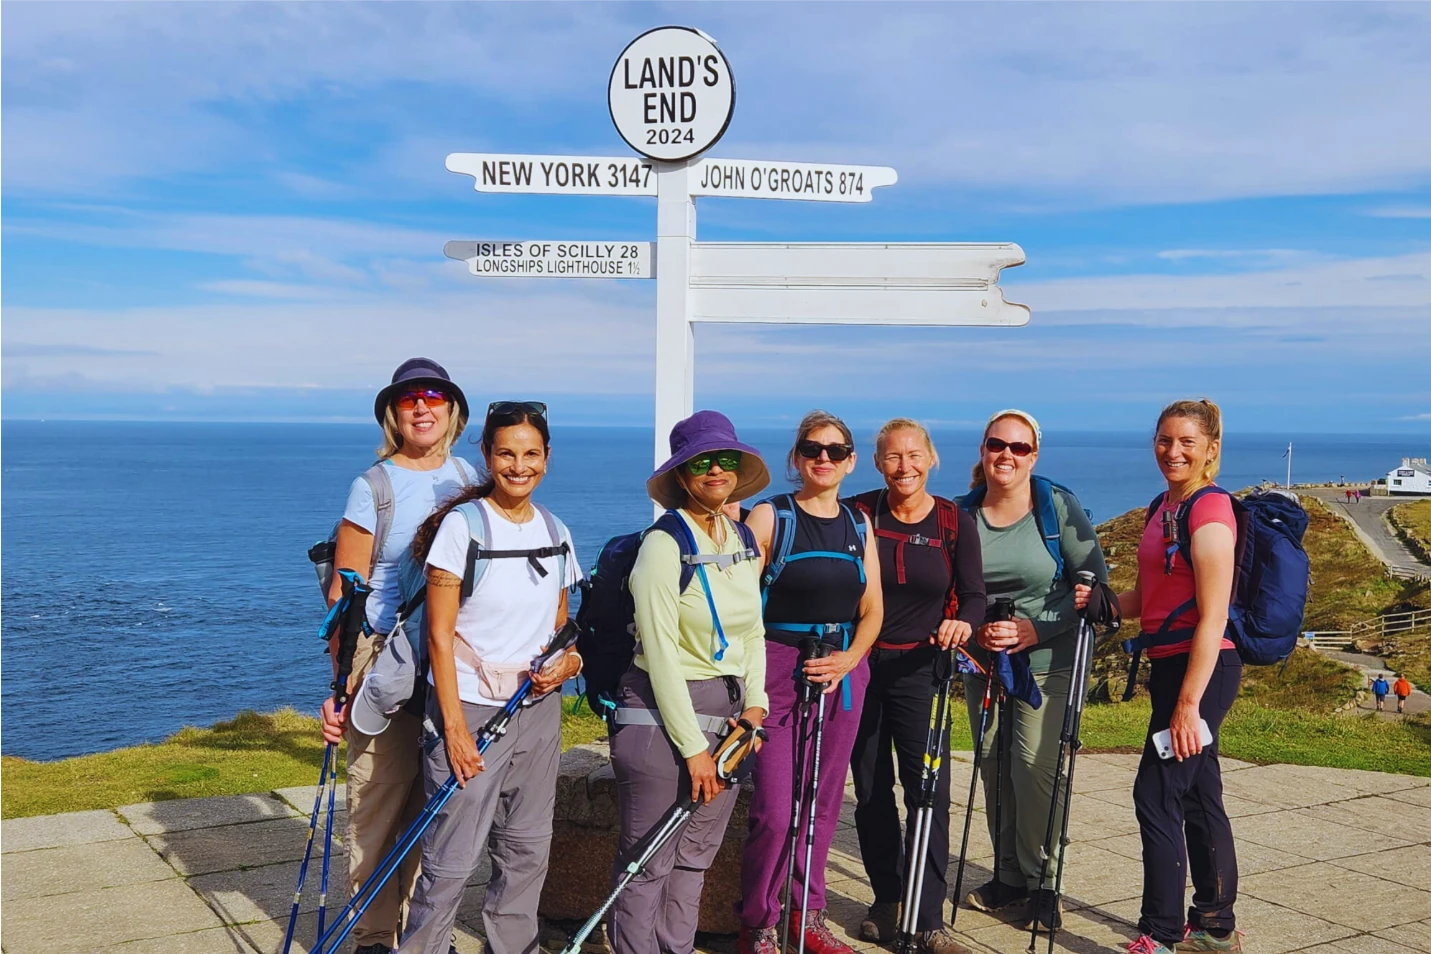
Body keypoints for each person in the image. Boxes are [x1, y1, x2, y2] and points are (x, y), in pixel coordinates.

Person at [396, 401, 583, 954]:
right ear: (487, 455)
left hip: (537, 712)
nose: (519, 465)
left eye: (530, 454)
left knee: (526, 850)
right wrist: (453, 730)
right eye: (506, 453)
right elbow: (438, 636)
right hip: (470, 711)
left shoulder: (555, 529)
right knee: (451, 858)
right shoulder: (462, 528)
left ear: (547, 458)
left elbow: (561, 625)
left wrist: (568, 665)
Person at [319, 357, 477, 954]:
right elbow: (345, 594)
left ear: (451, 411)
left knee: (434, 802)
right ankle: (375, 937)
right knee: (380, 798)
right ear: (393, 413)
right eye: (409, 398)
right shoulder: (373, 486)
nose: (421, 407)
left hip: (450, 655)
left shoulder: (470, 475)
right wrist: (342, 683)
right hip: (385, 656)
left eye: (433, 396)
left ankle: (422, 930)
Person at [1076, 398, 1242, 954]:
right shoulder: (1162, 507)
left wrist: (1188, 704)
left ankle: (1163, 935)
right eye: (1164, 440)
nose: (1173, 451)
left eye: (1187, 442)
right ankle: (1217, 927)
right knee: (1198, 795)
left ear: (1211, 450)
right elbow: (1152, 598)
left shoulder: (1211, 512)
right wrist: (1103, 603)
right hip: (1171, 665)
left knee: (1155, 794)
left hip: (1203, 670)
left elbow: (1213, 614)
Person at [609, 410, 771, 954]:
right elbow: (659, 652)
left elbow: (753, 633)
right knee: (647, 861)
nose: (716, 471)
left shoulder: (741, 537)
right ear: (682, 474)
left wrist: (755, 709)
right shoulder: (662, 546)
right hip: (660, 713)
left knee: (695, 858)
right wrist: (694, 751)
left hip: (729, 714)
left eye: (726, 460)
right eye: (702, 462)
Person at [737, 411, 885, 954]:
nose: (824, 458)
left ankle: (807, 916)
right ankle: (758, 921)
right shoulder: (770, 517)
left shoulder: (859, 524)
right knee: (776, 809)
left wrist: (848, 660)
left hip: (842, 673)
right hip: (777, 667)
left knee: (821, 801)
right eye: (812, 449)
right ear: (797, 458)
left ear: (849, 460)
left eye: (836, 450)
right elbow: (741, 606)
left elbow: (873, 610)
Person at [961, 410, 1108, 934]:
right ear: (983, 449)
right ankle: (1008, 878)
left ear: (1034, 455)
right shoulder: (962, 514)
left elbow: (1093, 585)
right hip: (984, 663)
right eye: (997, 444)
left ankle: (1045, 882)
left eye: (1019, 448)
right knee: (992, 762)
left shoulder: (1055, 507)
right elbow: (952, 588)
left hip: (1049, 660)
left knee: (1033, 765)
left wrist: (1034, 630)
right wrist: (976, 630)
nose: (1007, 455)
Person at [847, 418, 986, 954]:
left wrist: (965, 623)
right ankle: (887, 900)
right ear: (878, 464)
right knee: (871, 790)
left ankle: (927, 917)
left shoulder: (954, 521)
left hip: (921, 671)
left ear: (931, 459)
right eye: (891, 457)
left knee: (928, 794)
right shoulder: (859, 513)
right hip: (860, 668)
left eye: (913, 455)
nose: (903, 467)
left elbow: (974, 595)